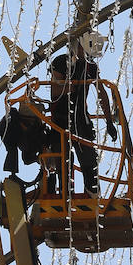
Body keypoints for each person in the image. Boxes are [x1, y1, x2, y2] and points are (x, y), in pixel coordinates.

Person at [48, 48, 117, 196]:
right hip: (60, 121)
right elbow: (55, 90)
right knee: (63, 162)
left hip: (80, 121)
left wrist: (109, 121)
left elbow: (102, 93)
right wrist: (72, 86)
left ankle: (92, 194)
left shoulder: (90, 67)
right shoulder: (61, 62)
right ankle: (66, 197)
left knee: (89, 161)